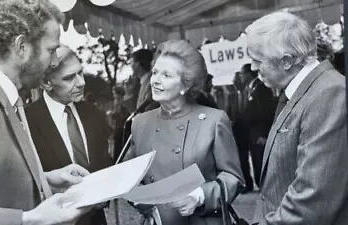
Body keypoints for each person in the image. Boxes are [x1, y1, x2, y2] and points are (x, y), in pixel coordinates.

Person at [0, 1, 92, 224]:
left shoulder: (8, 96)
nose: (54, 62)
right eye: (51, 50)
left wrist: (45, 181)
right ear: (21, 47)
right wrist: (30, 219)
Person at [124, 40, 244, 225]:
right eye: (155, 72)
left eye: (166, 75)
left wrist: (200, 196)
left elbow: (233, 178)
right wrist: (143, 202)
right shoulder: (140, 123)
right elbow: (129, 176)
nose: (155, 80)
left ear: (185, 85)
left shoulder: (214, 120)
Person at [246, 11, 348, 225]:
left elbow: (313, 198)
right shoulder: (303, 91)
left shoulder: (329, 93)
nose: (253, 68)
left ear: (286, 61)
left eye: (257, 60)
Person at [25, 46, 113, 225]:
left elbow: (104, 162)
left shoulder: (94, 113)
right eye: (69, 78)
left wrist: (107, 192)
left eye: (80, 73)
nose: (81, 82)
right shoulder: (26, 121)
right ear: (46, 83)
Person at [239, 64, 277, 190]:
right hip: (252, 134)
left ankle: (266, 189)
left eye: (242, 73)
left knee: (260, 163)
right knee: (256, 162)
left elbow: (267, 112)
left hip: (259, 135)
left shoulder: (261, 89)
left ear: (249, 74)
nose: (240, 76)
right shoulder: (252, 89)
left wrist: (264, 135)